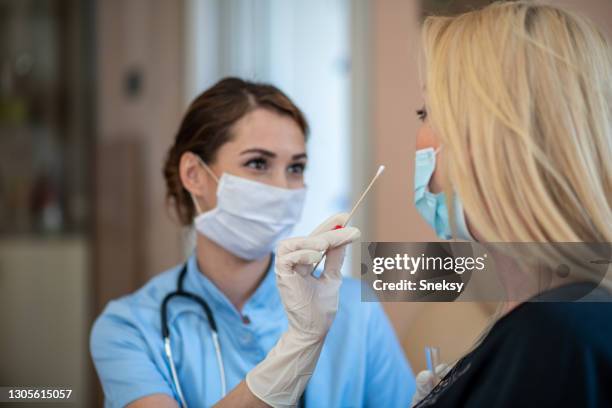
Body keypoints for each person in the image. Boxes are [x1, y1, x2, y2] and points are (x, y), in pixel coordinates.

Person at [212, 2, 612, 407]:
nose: (419, 136)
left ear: (493, 141)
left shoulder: (553, 340)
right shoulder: (562, 322)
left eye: (428, 112)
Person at [90, 77, 415, 407]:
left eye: (296, 167)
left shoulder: (353, 308)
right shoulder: (130, 327)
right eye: (258, 163)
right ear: (194, 174)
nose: (283, 187)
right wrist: (299, 346)